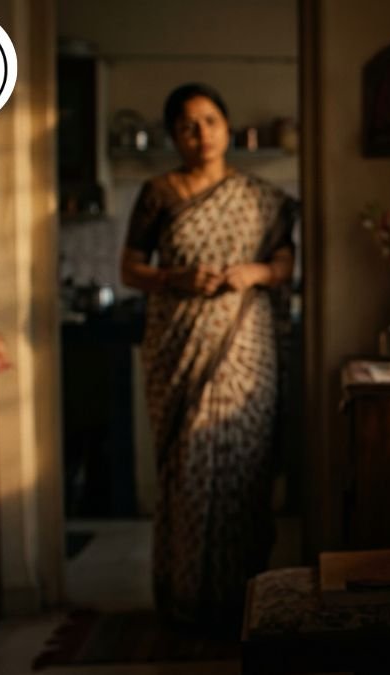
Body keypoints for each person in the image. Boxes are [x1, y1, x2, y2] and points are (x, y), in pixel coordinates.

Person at [120, 82, 297, 630]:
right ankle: (186, 599)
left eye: (210, 121)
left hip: (246, 343)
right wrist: (176, 276)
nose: (201, 134)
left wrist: (255, 272)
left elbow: (285, 265)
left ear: (227, 125)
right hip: (177, 343)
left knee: (245, 460)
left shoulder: (261, 198)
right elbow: (129, 269)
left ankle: (246, 596)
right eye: (187, 126)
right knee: (185, 463)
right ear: (174, 135)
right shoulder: (158, 193)